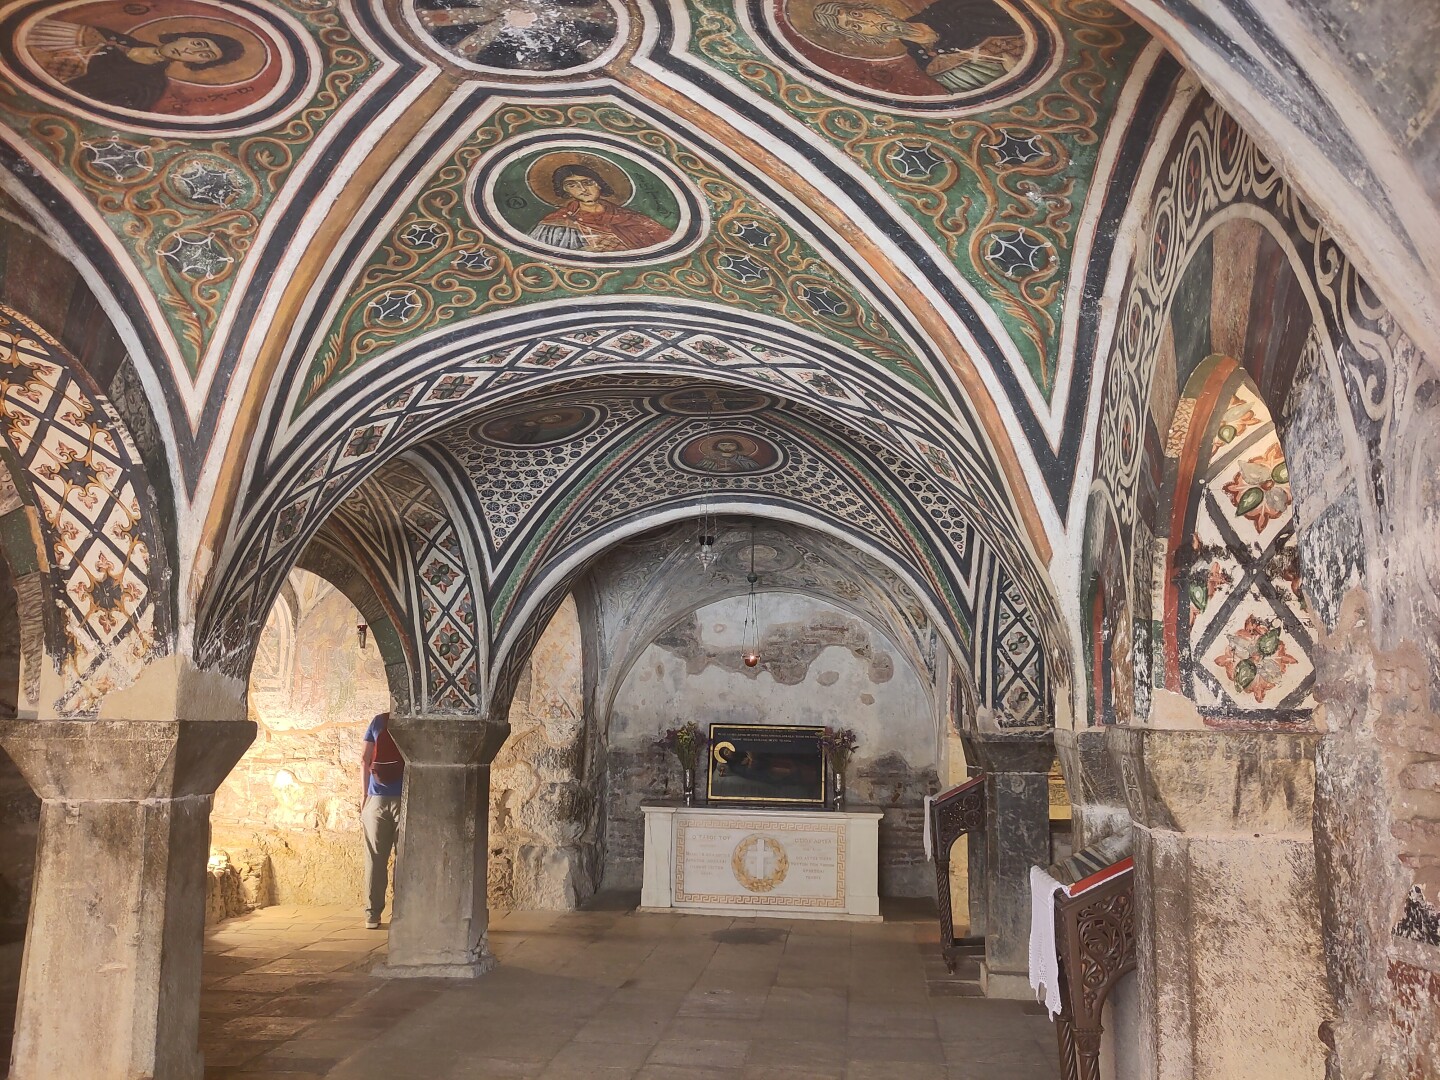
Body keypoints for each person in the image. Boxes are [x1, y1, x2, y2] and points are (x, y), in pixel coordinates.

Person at [27, 18, 245, 112]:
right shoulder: (105, 36)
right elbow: (32, 37)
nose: (191, 51)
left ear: (199, 64)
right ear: (185, 36)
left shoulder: (148, 86)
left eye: (203, 55)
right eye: (198, 43)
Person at [810, 0, 1026, 93]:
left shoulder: (953, 7)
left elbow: (1026, 25)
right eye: (856, 26)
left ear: (871, 8)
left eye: (858, 15)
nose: (868, 23)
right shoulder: (927, 63)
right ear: (863, 38)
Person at [529, 164, 673, 253]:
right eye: (572, 185)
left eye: (588, 182)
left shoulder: (632, 218)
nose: (582, 189)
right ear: (565, 190)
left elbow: (664, 244)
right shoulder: (556, 223)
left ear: (599, 184)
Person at [360, 711, 404, 930]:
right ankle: (401, 913)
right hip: (406, 800)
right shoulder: (410, 721)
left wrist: (364, 796)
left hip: (376, 799)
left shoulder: (378, 721)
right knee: (403, 859)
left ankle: (372, 915)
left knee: (375, 859)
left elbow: (364, 759)